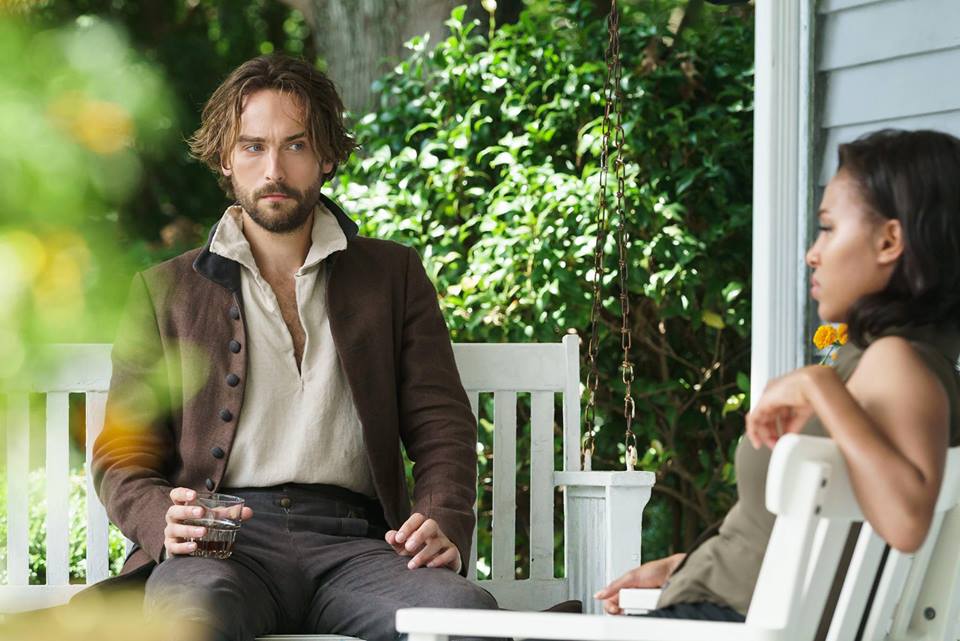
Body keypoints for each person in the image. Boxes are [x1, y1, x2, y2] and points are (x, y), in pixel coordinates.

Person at [92, 54, 497, 641]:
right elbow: (122, 458)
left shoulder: (394, 274)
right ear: (226, 161)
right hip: (220, 547)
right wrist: (163, 521)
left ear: (327, 157)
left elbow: (442, 424)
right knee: (187, 622)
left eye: (295, 145)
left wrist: (441, 519)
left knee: (463, 621)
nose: (273, 169)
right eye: (253, 147)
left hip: (360, 547)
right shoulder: (164, 292)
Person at [596, 129, 960, 622]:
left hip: (727, 624)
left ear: (889, 240)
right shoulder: (892, 360)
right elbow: (820, 549)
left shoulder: (894, 362)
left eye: (829, 228)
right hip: (726, 603)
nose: (814, 252)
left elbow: (905, 520)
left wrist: (817, 383)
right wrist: (688, 566)